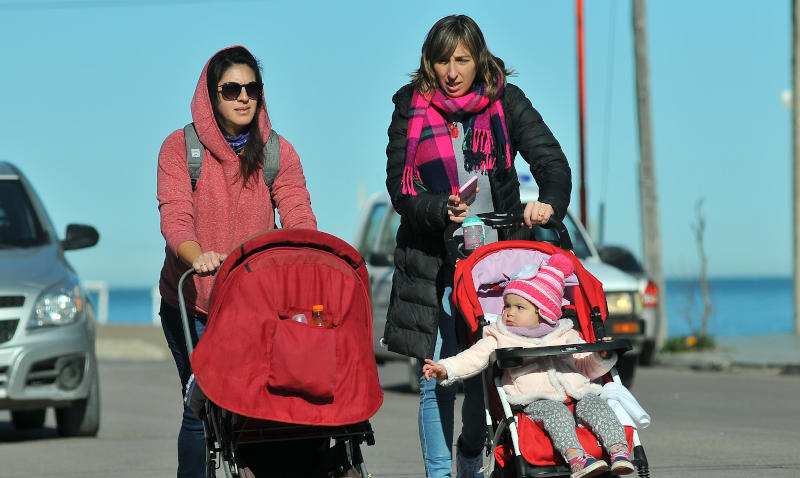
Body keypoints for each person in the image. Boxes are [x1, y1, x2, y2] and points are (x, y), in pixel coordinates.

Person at [384, 14, 572, 478]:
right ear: (429, 62)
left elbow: (551, 160)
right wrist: (436, 208)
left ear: (478, 59)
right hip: (435, 263)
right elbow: (400, 190)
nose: (452, 72)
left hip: (497, 263)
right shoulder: (410, 106)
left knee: (482, 376)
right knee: (438, 376)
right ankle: (439, 474)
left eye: (462, 60)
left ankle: (470, 455)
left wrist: (547, 203)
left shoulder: (505, 100)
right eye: (443, 60)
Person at [156, 45, 317, 478]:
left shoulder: (277, 152)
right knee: (200, 406)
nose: (243, 97)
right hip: (193, 301)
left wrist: (304, 250)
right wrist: (198, 256)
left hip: (254, 303)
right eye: (231, 90)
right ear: (211, 96)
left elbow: (298, 212)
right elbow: (175, 217)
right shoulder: (180, 148)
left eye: (252, 88)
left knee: (257, 407)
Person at [423, 253, 636, 478]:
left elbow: (587, 368)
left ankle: (617, 450)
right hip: (535, 401)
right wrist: (447, 368)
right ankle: (577, 457)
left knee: (597, 404)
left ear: (542, 312)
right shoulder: (499, 336)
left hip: (578, 395)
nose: (508, 312)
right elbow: (472, 357)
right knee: (556, 413)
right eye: (506, 305)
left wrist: (600, 356)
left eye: (519, 307)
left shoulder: (566, 334)